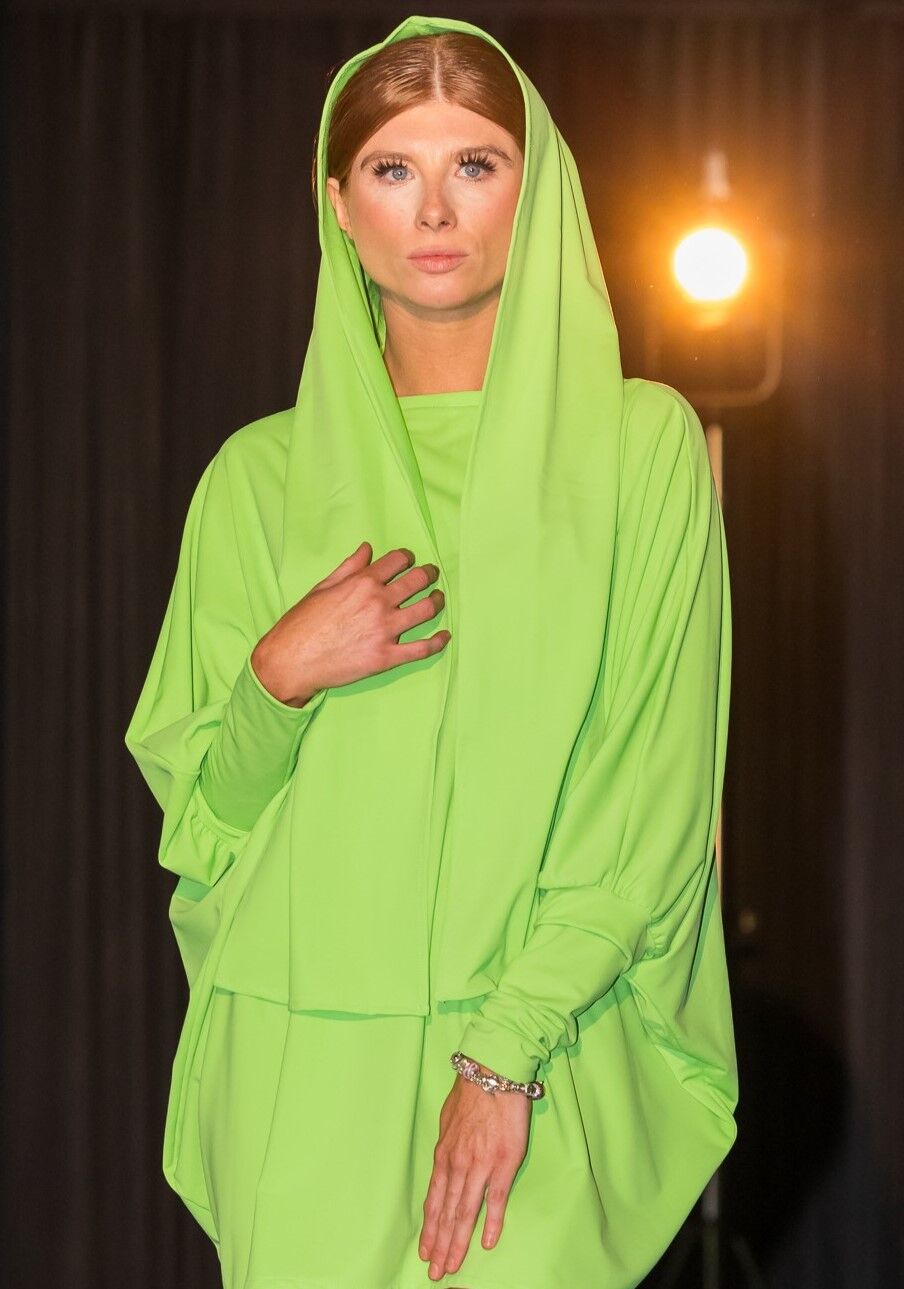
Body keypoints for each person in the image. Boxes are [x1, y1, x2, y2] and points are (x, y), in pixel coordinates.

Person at [124, 14, 738, 1289]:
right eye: (394, 168)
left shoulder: (640, 449)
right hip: (300, 1068)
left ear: (536, 187)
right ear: (338, 205)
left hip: (540, 1053)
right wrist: (276, 679)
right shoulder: (253, 480)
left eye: (475, 163)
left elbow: (650, 798)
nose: (436, 208)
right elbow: (205, 822)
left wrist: (503, 1052)